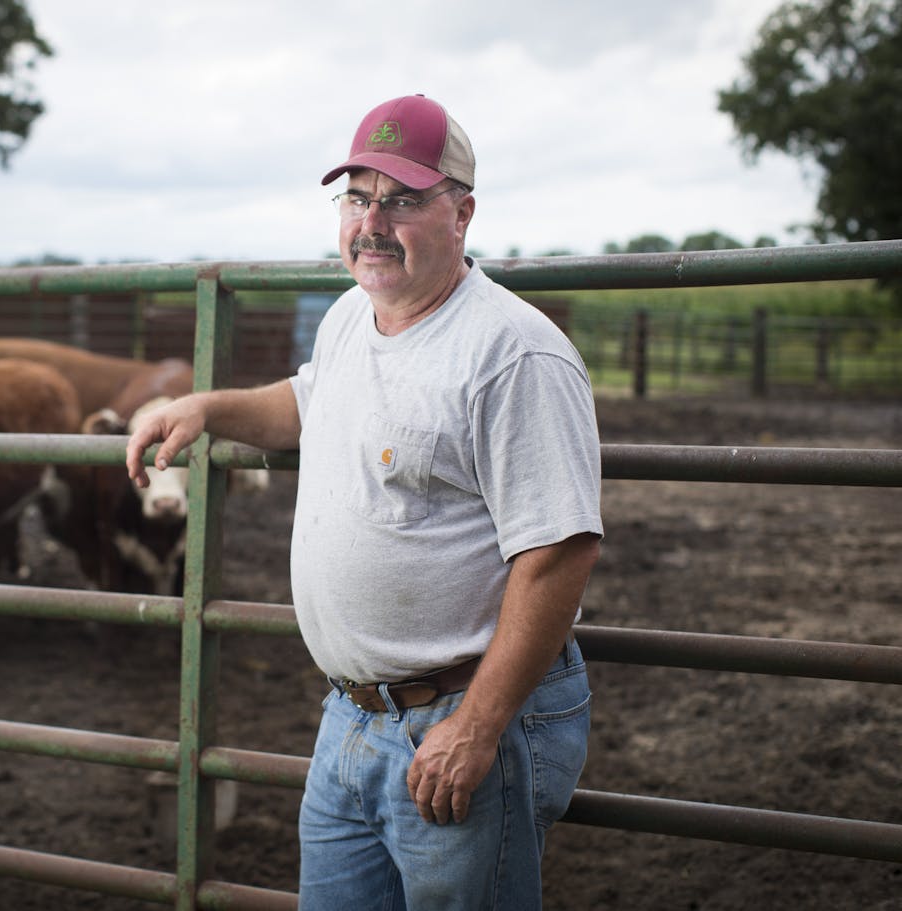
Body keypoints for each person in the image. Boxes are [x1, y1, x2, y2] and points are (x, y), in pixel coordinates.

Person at [125, 94, 603, 910]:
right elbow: (309, 403)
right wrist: (208, 408)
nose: (372, 222)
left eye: (404, 199)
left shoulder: (512, 354)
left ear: (463, 213)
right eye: (356, 196)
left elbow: (558, 551)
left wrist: (478, 725)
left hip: (457, 716)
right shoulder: (354, 315)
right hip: (352, 717)